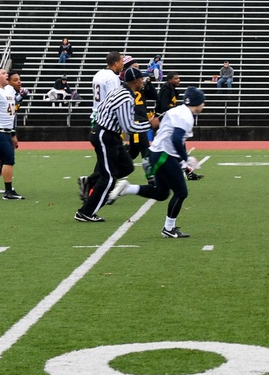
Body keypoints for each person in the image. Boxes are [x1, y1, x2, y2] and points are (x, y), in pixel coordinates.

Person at [108, 87, 206, 238]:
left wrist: (181, 159)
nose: (203, 106)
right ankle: (169, 228)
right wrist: (185, 160)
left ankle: (127, 189)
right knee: (181, 192)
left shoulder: (178, 110)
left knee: (161, 193)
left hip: (158, 151)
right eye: (202, 102)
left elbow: (162, 125)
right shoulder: (186, 117)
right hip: (164, 155)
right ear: (197, 102)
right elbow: (176, 139)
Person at [75, 67, 158, 223]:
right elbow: (129, 127)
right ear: (137, 81)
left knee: (127, 167)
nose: (143, 82)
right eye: (142, 79)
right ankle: (86, 212)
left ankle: (90, 182)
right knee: (109, 179)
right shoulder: (125, 97)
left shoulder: (120, 90)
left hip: (109, 134)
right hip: (105, 135)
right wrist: (150, 124)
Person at [79, 51, 125, 202]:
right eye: (122, 61)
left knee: (104, 157)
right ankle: (95, 186)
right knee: (109, 157)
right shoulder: (112, 78)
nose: (123, 64)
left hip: (96, 116)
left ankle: (92, 185)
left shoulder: (98, 74)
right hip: (106, 120)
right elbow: (114, 100)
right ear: (116, 63)